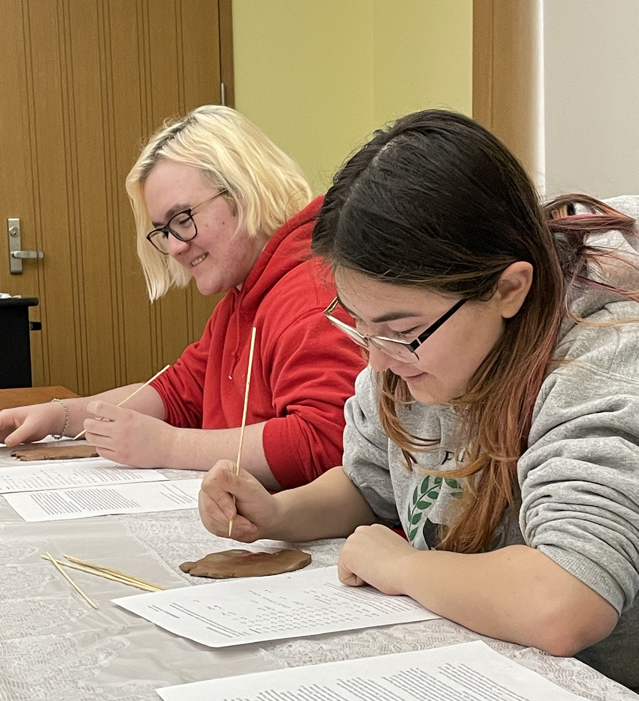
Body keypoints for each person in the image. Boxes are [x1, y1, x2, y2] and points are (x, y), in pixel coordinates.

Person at [198, 110, 639, 689]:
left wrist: (404, 565)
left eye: (401, 330)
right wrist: (280, 514)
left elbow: (567, 601)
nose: (377, 359)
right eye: (360, 325)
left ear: (509, 289)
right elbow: (368, 483)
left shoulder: (600, 354)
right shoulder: (421, 352)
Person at [0, 105, 363, 490]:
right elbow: (179, 391)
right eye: (163, 231)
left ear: (244, 190)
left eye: (183, 219)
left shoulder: (310, 292)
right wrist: (58, 416)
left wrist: (169, 445)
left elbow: (324, 444)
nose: (174, 247)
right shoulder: (245, 295)